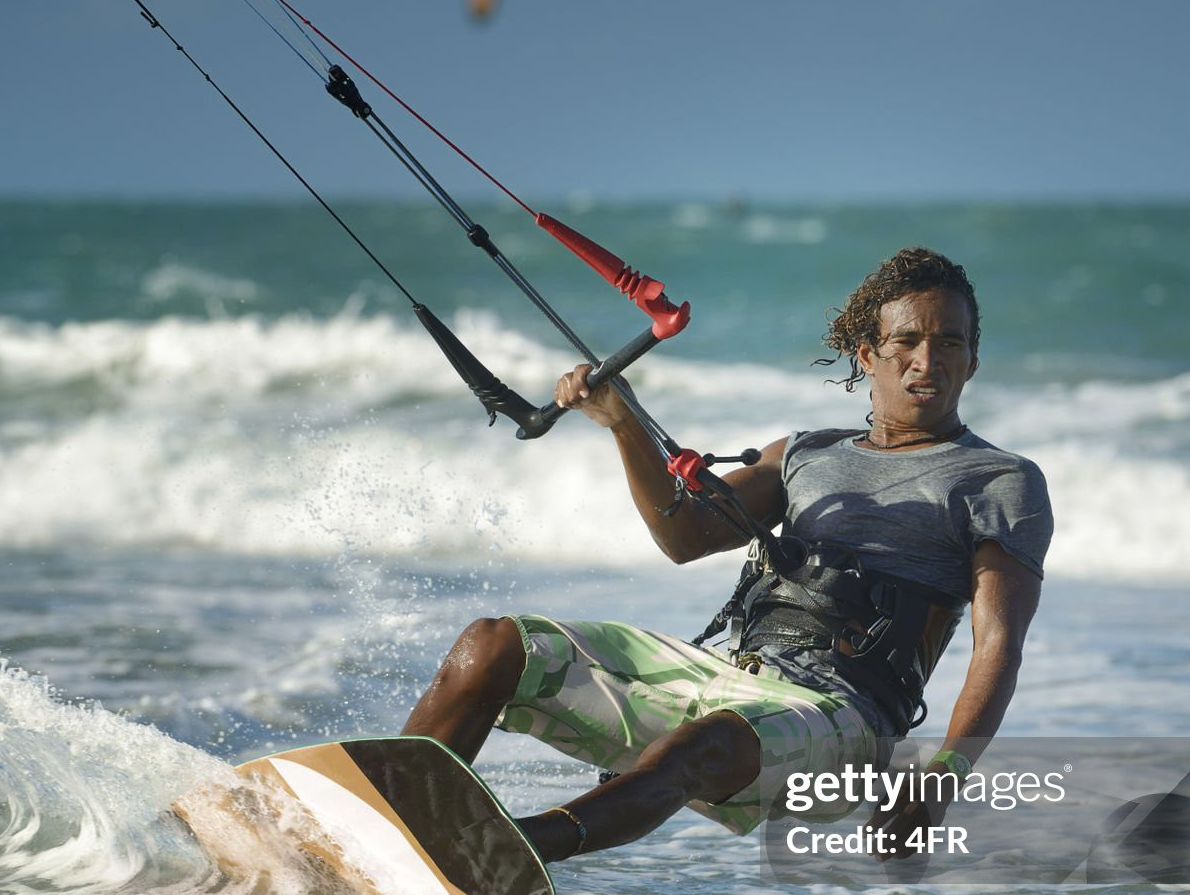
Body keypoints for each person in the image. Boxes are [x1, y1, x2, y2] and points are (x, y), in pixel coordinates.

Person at [402, 247, 1052, 863]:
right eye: (907, 340)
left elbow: (999, 642)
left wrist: (943, 775)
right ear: (868, 354)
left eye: (950, 342)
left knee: (704, 740)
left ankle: (501, 851)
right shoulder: (804, 454)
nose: (927, 359)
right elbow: (683, 538)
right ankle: (389, 811)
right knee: (492, 647)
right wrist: (624, 422)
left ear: (972, 360)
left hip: (843, 721)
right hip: (731, 674)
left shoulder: (998, 479)